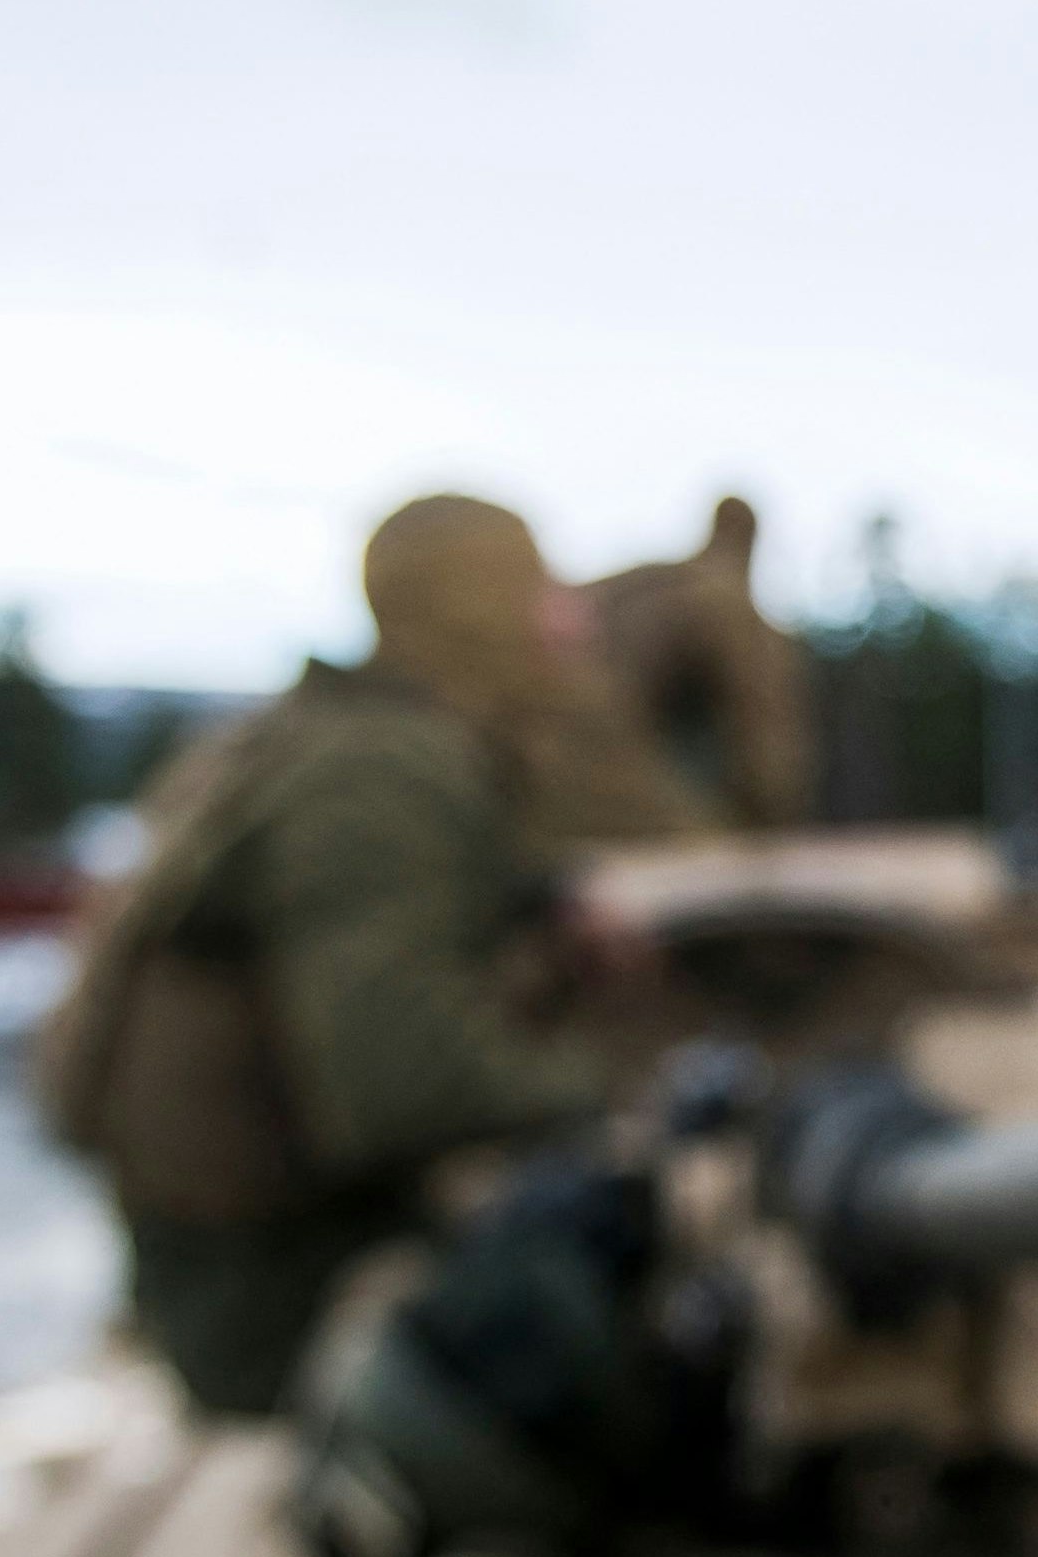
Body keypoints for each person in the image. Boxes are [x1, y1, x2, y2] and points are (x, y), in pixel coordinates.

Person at [40, 495, 625, 1414]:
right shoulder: (383, 771)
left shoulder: (345, 736)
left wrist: (536, 903)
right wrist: (615, 1089)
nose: (574, 617)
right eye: (542, 589)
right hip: (267, 1310)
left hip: (242, 1258)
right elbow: (404, 1085)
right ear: (475, 604)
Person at [583, 496, 815, 831]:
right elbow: (769, 745)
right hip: (600, 751)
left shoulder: (651, 581)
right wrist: (773, 823)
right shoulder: (732, 607)